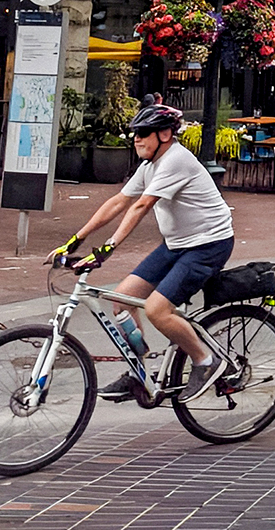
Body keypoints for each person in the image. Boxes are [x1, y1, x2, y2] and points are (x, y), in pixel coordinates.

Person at [46, 102, 235, 405]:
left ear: (165, 134)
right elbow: (120, 201)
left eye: (144, 133)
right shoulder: (150, 166)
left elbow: (141, 206)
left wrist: (106, 249)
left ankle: (205, 361)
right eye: (134, 134)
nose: (137, 139)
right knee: (122, 301)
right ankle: (139, 372)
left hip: (208, 245)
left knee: (157, 310)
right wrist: (74, 241)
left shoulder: (176, 160)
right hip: (177, 243)